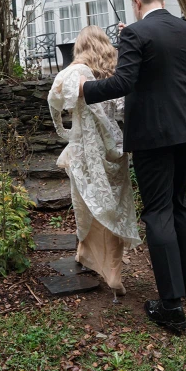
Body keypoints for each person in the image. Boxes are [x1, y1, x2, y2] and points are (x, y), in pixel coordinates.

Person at [79, 0, 186, 334]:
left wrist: (84, 89)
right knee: (179, 204)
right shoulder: (182, 28)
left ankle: (171, 307)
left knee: (158, 212)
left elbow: (122, 84)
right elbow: (160, 66)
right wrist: (130, 37)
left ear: (135, 2)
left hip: (153, 135)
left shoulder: (135, 34)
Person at [47, 26, 140, 296]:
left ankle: (85, 252)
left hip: (84, 151)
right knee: (113, 206)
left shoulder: (71, 73)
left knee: (86, 203)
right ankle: (112, 270)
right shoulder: (115, 76)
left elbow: (55, 100)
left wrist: (64, 131)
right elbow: (124, 110)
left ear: (80, 48)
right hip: (112, 149)